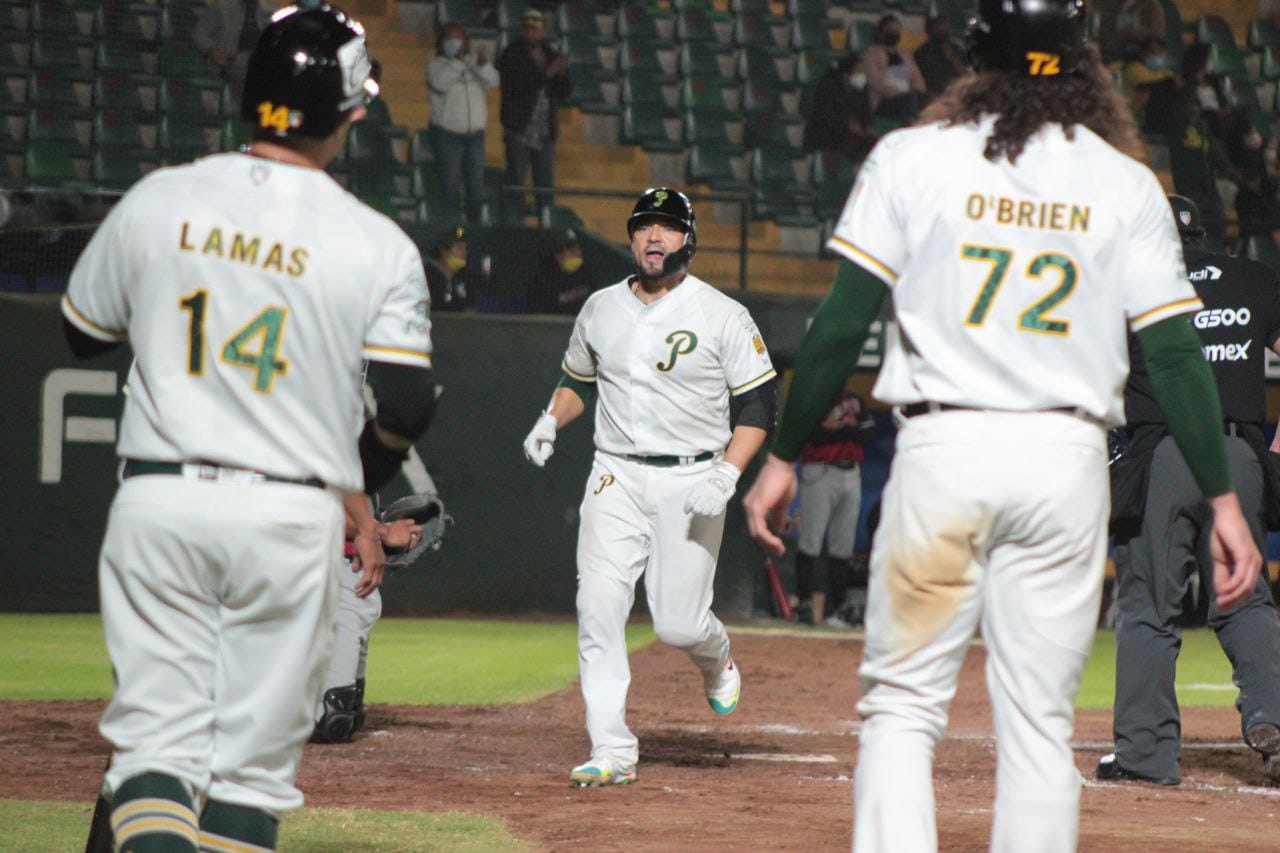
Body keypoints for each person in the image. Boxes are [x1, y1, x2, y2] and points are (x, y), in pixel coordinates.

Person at [741, 1, 1263, 850]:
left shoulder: (911, 156)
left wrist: (782, 453)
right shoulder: (1125, 181)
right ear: (1081, 57)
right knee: (1037, 726)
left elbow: (840, 328)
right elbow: (1175, 358)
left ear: (974, 55)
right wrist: (1226, 502)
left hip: (946, 447)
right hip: (1065, 459)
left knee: (904, 709)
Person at [62, 5, 437, 850]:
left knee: (154, 759)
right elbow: (409, 408)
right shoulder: (376, 244)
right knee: (244, 781)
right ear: (350, 112)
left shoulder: (163, 198)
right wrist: (359, 490)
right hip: (289, 515)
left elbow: (81, 331)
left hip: (161, 500)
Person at [521, 187, 777, 787]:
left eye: (667, 227)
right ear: (631, 238)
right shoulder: (600, 308)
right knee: (598, 606)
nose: (653, 237)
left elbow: (761, 406)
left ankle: (717, 662)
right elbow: (577, 380)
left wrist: (727, 471)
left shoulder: (721, 314)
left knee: (679, 625)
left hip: (693, 476)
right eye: (643, 227)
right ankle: (611, 748)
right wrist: (549, 419)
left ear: (689, 239)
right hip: (614, 473)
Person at [1100, 195, 1280, 787]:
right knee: (1246, 597)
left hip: (1164, 453)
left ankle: (1146, 756)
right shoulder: (1252, 277)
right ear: (1203, 232)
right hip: (1238, 455)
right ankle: (1276, 722)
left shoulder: (1127, 288)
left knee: (1150, 605)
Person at [792, 391, 876, 628]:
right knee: (811, 541)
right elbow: (813, 436)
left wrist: (837, 429)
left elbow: (868, 434)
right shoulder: (814, 396)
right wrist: (847, 429)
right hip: (820, 471)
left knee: (843, 545)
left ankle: (838, 608)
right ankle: (805, 606)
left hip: (851, 472)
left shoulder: (854, 400)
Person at [496, 9, 571, 220]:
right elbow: (518, 86)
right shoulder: (511, 53)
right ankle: (514, 228)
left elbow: (564, 92)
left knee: (545, 187)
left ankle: (546, 227)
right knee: (516, 185)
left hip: (544, 132)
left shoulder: (550, 53)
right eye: (527, 28)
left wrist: (562, 72)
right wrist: (548, 72)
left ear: (543, 31)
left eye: (535, 29)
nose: (531, 32)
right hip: (519, 130)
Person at [427, 21, 499, 223]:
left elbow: (493, 81)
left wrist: (483, 64)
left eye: (458, 38)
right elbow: (440, 83)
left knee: (475, 188)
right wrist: (459, 62)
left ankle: (470, 234)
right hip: (448, 134)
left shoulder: (474, 62)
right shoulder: (435, 64)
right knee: (450, 187)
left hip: (475, 135)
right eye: (450, 38)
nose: (454, 42)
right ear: (442, 42)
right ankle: (451, 234)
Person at [803, 52, 875, 166]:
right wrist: (848, 125)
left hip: (850, 133)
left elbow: (865, 110)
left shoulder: (860, 88)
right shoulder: (827, 86)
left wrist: (868, 126)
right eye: (859, 72)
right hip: (826, 134)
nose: (862, 76)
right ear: (846, 74)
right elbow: (823, 116)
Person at [193, 0, 275, 96]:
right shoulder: (221, 7)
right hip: (228, 62)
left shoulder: (269, 10)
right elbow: (200, 34)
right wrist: (213, 51)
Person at [862, 13, 926, 124]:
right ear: (881, 32)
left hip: (908, 95)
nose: (894, 33)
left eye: (897, 30)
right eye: (890, 30)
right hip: (884, 100)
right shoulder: (872, 53)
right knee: (909, 100)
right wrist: (897, 93)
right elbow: (875, 81)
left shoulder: (905, 55)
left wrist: (917, 90)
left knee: (927, 99)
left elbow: (917, 78)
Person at [525, 227, 593, 314]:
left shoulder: (588, 273)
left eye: (573, 247)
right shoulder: (542, 282)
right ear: (555, 255)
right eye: (559, 250)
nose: (568, 253)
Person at [912, 15, 966, 102]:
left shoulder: (956, 49)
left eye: (946, 27)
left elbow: (966, 75)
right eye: (939, 28)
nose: (944, 30)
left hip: (957, 93)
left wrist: (951, 57)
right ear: (930, 31)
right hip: (933, 95)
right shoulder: (921, 53)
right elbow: (915, 77)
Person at [424, 224, 472, 311]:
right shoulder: (428, 278)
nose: (464, 253)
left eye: (465, 248)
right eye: (459, 248)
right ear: (444, 251)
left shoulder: (464, 279)